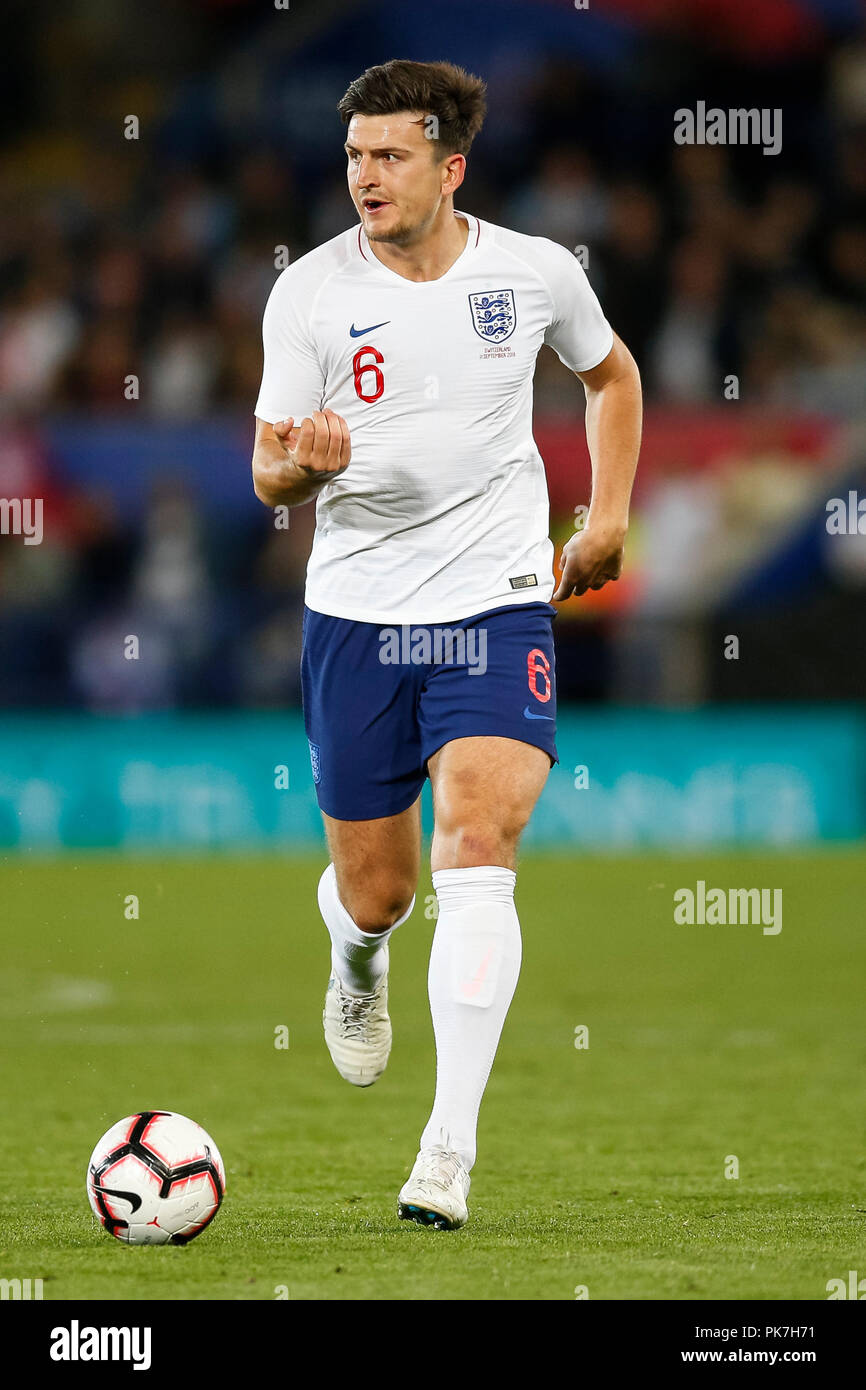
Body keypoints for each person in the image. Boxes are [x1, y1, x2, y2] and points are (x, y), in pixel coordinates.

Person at [252, 58, 641, 1230]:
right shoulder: (308, 295)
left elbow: (609, 375)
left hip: (496, 600)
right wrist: (299, 469)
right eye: (354, 156)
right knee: (379, 894)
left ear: (448, 164)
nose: (364, 176)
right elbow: (266, 464)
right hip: (358, 615)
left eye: (389, 156)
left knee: (481, 838)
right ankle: (354, 957)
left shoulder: (532, 272)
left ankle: (446, 1151)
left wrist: (609, 513)